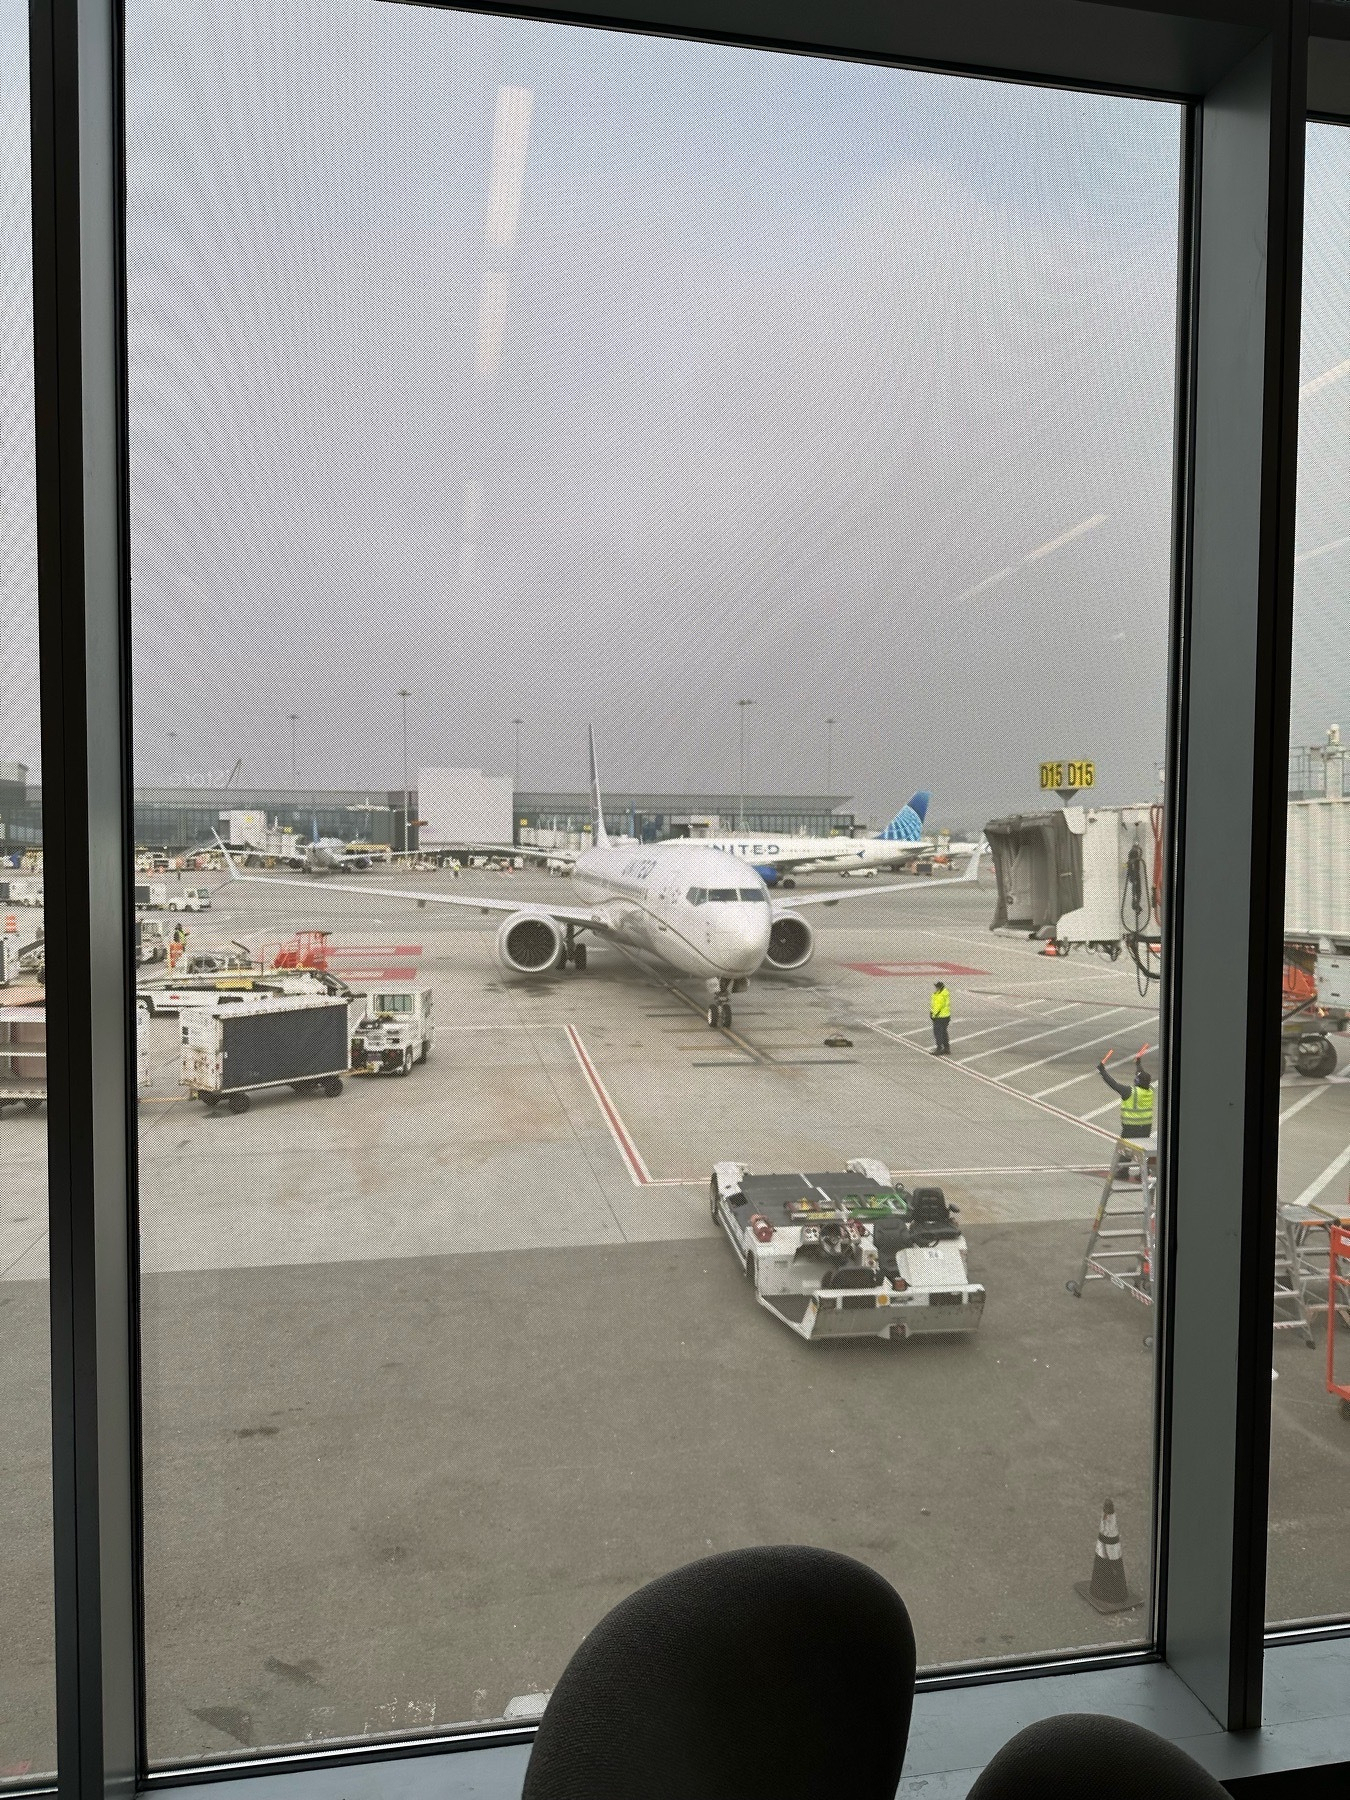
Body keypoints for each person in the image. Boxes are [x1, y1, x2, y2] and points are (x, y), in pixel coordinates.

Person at [1097, 1057, 1155, 1138]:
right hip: (1146, 1127)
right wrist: (1138, 1064)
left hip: (1131, 1128)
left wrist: (1102, 1071)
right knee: (1141, 1149)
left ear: (1138, 1081)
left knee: (1125, 1149)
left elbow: (1113, 1084)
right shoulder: (1150, 1091)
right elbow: (1142, 1075)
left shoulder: (1130, 1091)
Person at [930, 979, 952, 1056]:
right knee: (944, 1032)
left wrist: (933, 1015)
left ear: (939, 988)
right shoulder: (945, 993)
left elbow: (938, 1006)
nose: (935, 988)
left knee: (938, 1033)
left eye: (936, 987)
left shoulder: (940, 995)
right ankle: (946, 1048)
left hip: (939, 1017)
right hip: (946, 1016)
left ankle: (939, 1048)